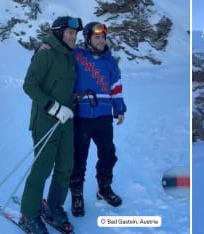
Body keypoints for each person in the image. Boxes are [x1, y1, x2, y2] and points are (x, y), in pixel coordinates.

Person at [20, 16, 82, 234]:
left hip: (65, 121)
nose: (74, 37)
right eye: (70, 33)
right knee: (42, 169)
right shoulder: (45, 54)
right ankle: (29, 214)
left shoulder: (69, 55)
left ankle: (53, 208)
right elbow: (29, 85)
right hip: (46, 121)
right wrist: (54, 108)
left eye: (75, 34)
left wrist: (74, 99)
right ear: (58, 33)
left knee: (65, 167)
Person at [69, 21, 126, 217]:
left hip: (103, 117)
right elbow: (57, 59)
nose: (101, 40)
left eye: (103, 37)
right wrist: (43, 47)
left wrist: (119, 108)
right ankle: (77, 195)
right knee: (79, 158)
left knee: (108, 154)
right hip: (81, 117)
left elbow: (116, 87)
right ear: (88, 39)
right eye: (97, 37)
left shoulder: (110, 62)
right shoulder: (76, 55)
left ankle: (104, 188)